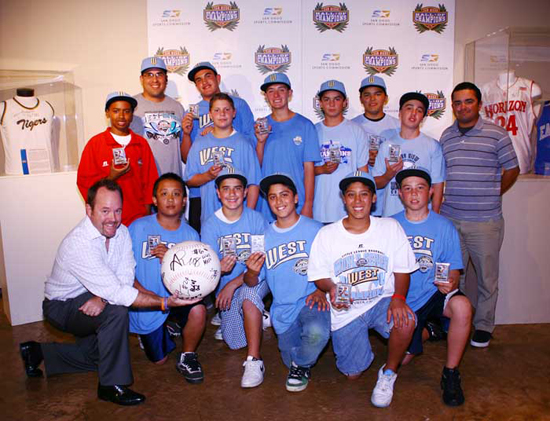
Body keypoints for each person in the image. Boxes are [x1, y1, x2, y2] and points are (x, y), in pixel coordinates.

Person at [19, 179, 200, 406]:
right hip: (61, 305)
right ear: (89, 210)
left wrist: (102, 297)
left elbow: (124, 278)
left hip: (93, 295)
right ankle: (111, 385)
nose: (113, 218)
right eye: (105, 211)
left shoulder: (121, 233)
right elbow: (119, 292)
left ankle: (37, 353)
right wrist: (164, 303)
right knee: (116, 312)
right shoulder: (79, 244)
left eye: (117, 211)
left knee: (102, 357)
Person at [308, 171, 418, 408]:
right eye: (351, 195)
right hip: (347, 308)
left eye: (364, 195)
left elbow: (403, 269)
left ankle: (389, 372)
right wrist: (332, 288)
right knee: (352, 373)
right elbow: (319, 276)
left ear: (374, 198)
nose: (358, 201)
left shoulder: (390, 227)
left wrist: (399, 298)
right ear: (343, 199)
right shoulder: (327, 234)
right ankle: (369, 351)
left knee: (406, 321)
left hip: (382, 300)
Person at [440, 82, 519, 348]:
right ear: (452, 107)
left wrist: (494, 194)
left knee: (487, 278)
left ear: (479, 104)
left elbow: (512, 169)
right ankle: (454, 321)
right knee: (453, 277)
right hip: (450, 219)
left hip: (485, 221)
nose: (463, 107)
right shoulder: (446, 136)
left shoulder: (497, 134)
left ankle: (484, 325)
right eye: (458, 103)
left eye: (468, 101)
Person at [392, 167, 472, 406]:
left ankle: (451, 372)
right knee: (404, 359)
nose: (414, 194)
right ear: (400, 194)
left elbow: (454, 267)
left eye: (420, 188)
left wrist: (452, 280)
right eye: (407, 188)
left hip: (434, 293)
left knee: (463, 306)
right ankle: (430, 331)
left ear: (430, 192)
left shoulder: (444, 226)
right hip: (405, 298)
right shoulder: (390, 225)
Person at [244, 173, 330, 392]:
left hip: (310, 300)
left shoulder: (316, 229)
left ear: (295, 198)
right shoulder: (263, 238)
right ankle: (299, 363)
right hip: (282, 309)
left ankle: (300, 365)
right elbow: (252, 281)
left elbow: (331, 265)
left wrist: (321, 290)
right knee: (289, 357)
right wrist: (251, 272)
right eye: (272, 197)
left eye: (284, 195)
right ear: (268, 203)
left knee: (317, 333)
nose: (279, 201)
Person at [128, 173, 207, 384]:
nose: (170, 199)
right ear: (154, 200)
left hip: (177, 298)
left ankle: (187, 356)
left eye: (176, 194)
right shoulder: (137, 227)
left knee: (199, 310)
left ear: (184, 201)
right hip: (148, 300)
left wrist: (172, 259)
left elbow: (194, 279)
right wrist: (145, 294)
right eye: (164, 194)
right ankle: (164, 328)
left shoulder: (191, 235)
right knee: (159, 360)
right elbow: (124, 270)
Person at [200, 168, 268, 388]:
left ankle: (254, 361)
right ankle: (260, 316)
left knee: (248, 293)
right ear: (218, 193)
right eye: (225, 189)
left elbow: (260, 264)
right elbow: (206, 268)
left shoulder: (256, 219)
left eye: (237, 189)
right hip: (227, 288)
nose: (231, 194)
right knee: (234, 342)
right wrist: (217, 269)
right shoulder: (211, 224)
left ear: (246, 192)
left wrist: (231, 283)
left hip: (255, 279)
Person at [182, 62, 255, 232]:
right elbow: (187, 158)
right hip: (202, 193)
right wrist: (186, 134)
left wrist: (218, 133)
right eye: (198, 80)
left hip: (235, 191)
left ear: (218, 78)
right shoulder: (191, 112)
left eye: (208, 76)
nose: (204, 82)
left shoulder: (239, 104)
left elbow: (250, 143)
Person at [77, 92, 158, 226]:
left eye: (126, 111)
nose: (121, 116)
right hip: (106, 220)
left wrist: (146, 214)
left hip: (137, 218)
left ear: (132, 115)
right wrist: (111, 177)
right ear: (107, 113)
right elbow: (84, 184)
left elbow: (150, 181)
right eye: (116, 111)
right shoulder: (95, 144)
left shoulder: (141, 144)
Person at [255, 73, 321, 221]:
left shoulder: (305, 125)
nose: (276, 95)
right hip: (267, 205)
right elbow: (255, 165)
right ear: (266, 96)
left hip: (297, 203)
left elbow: (309, 169)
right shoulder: (260, 126)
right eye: (271, 91)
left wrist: (308, 205)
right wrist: (261, 141)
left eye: (281, 90)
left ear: (290, 93)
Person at [372, 92, 445, 217]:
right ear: (400, 113)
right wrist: (388, 175)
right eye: (409, 108)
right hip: (391, 216)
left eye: (419, 110)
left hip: (421, 217)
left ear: (423, 117)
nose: (413, 113)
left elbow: (438, 184)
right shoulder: (386, 145)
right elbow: (375, 183)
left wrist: (435, 216)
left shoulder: (433, 146)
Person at [313, 80, 369, 223]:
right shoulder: (312, 131)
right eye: (327, 99)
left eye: (337, 99)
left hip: (350, 210)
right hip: (319, 209)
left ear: (345, 103)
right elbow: (303, 170)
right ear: (319, 103)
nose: (331, 104)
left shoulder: (356, 130)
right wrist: (321, 169)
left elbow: (363, 171)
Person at [352, 75, 400, 216]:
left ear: (385, 98)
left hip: (390, 199)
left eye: (377, 94)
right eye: (367, 95)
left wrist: (381, 160)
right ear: (361, 99)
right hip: (360, 201)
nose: (372, 99)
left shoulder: (398, 125)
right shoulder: (352, 126)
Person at [130, 57, 185, 177]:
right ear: (141, 79)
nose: (154, 79)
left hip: (172, 180)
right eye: (149, 74)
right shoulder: (130, 106)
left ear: (166, 78)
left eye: (159, 74)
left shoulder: (177, 107)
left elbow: (183, 146)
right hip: (142, 180)